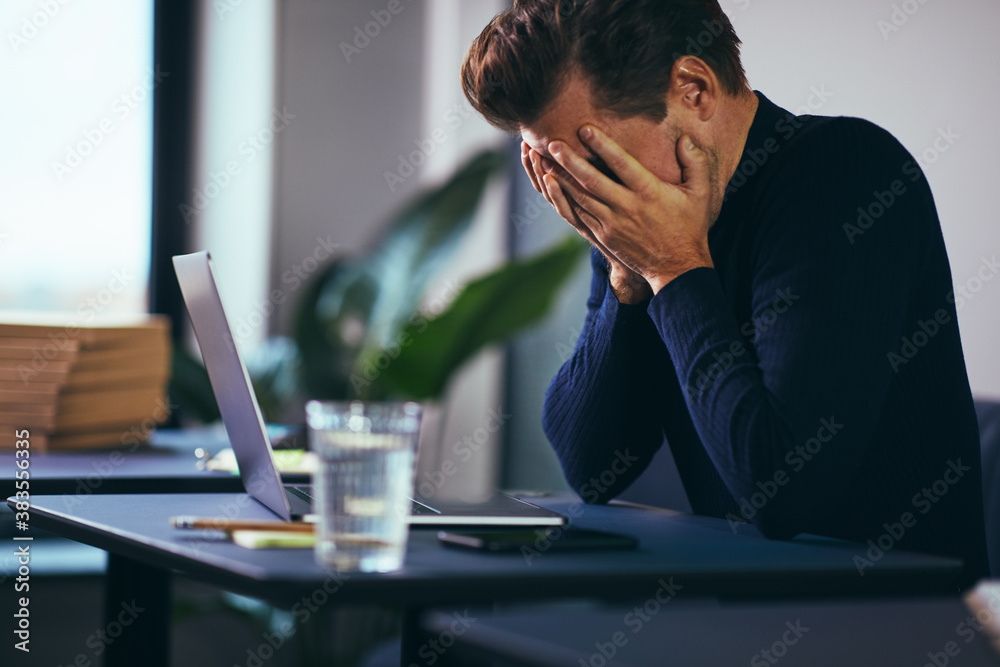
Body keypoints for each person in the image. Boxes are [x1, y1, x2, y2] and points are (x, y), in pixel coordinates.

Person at [461, 0, 989, 588]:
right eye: (554, 168)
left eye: (594, 161)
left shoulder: (847, 174)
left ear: (694, 89)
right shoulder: (639, 220)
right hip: (742, 617)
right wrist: (628, 278)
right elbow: (594, 469)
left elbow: (783, 492)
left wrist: (676, 267)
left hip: (892, 624)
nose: (583, 192)